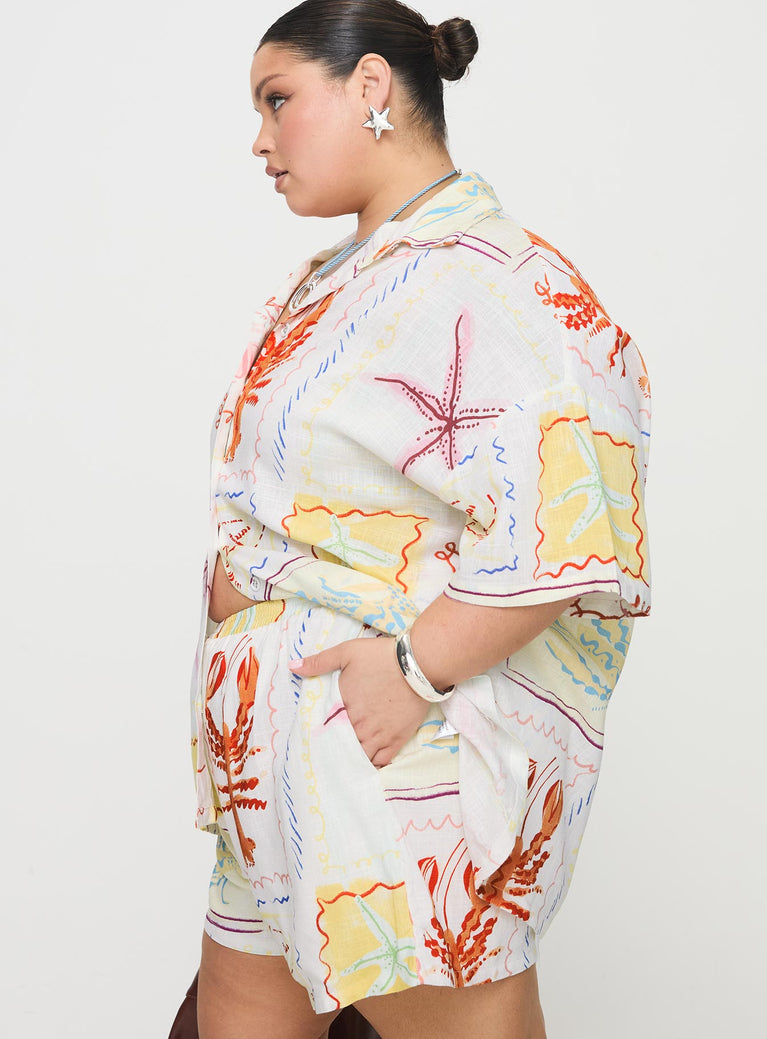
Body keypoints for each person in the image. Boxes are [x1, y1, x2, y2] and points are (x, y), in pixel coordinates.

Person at [182, 2, 651, 1037]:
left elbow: (571, 518)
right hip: (270, 759)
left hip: (389, 766)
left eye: (277, 100)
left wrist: (411, 670)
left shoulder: (494, 278)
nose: (260, 138)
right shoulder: (337, 277)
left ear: (369, 87)